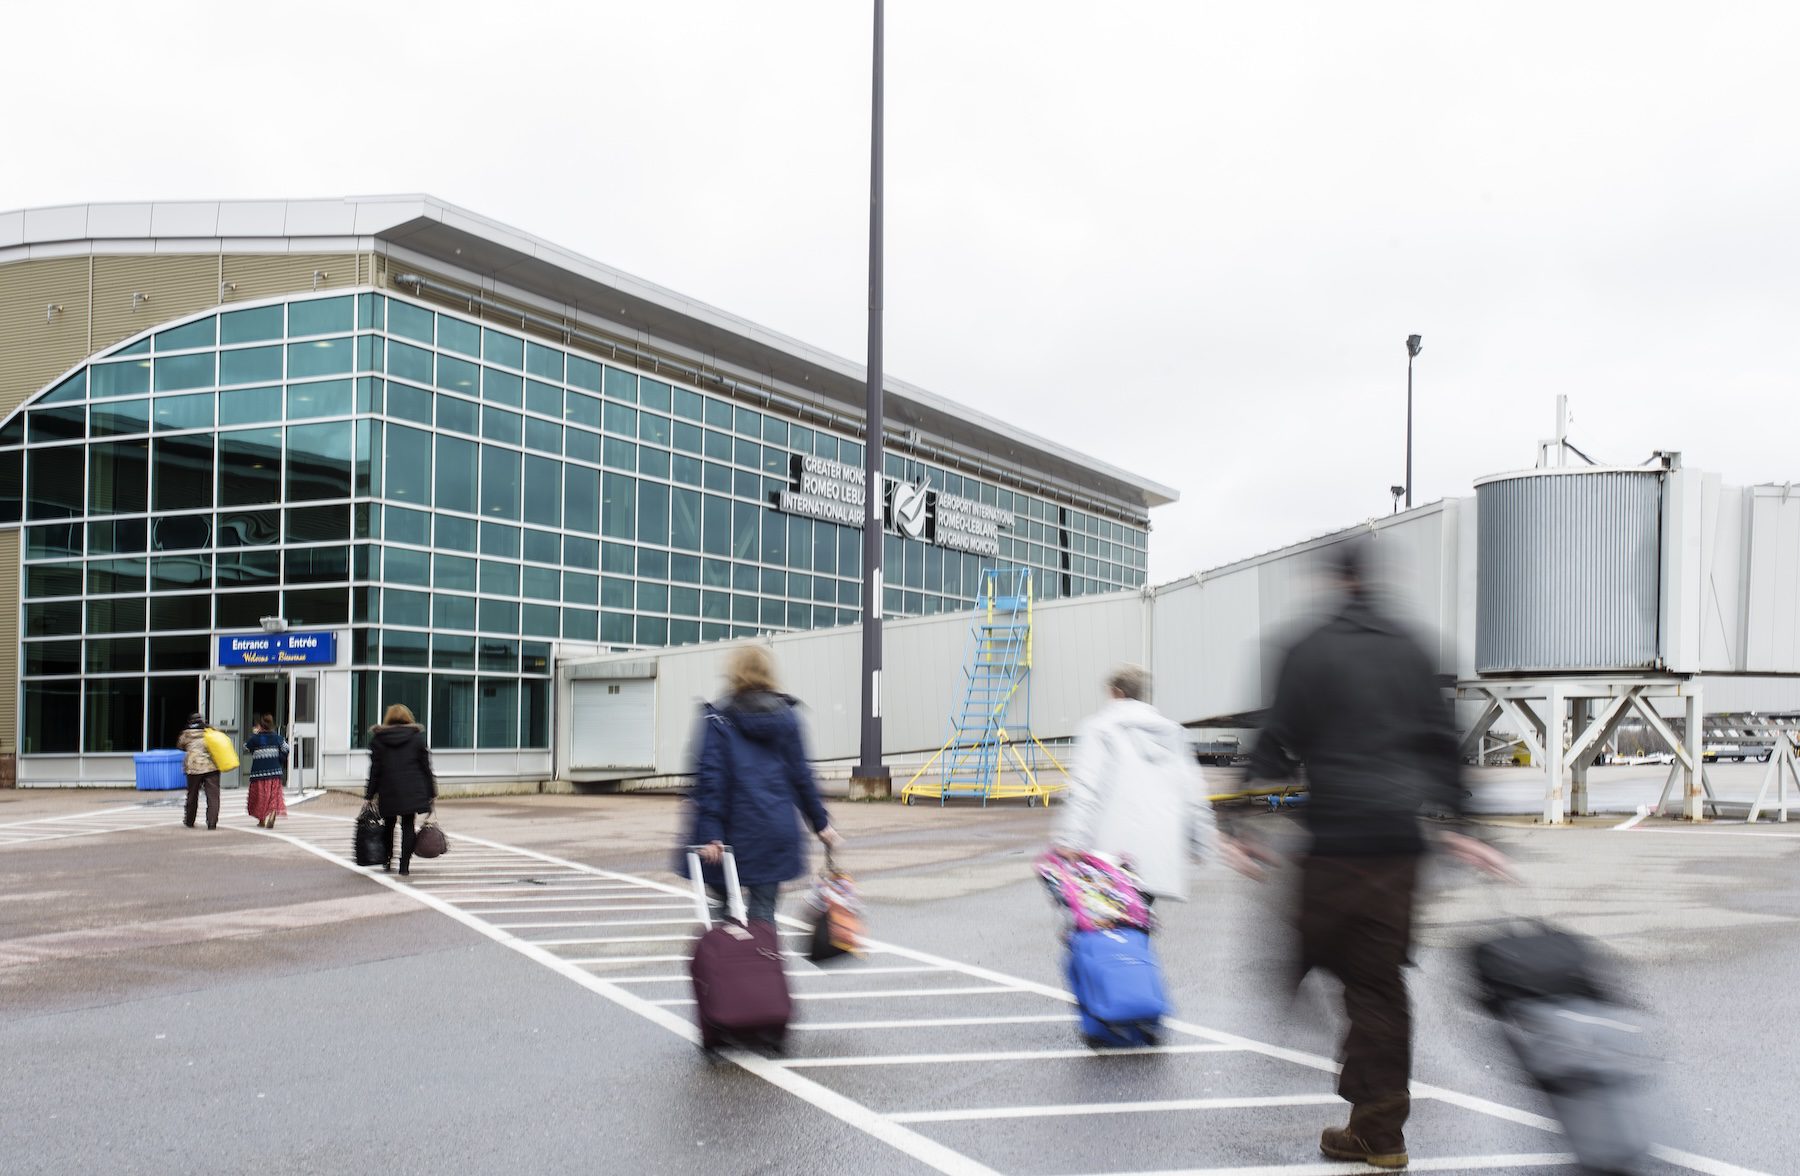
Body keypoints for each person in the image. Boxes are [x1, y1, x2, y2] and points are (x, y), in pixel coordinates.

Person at [1247, 539, 1509, 1171]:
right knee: (1379, 982)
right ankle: (1379, 1128)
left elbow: (1276, 738)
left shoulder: (1306, 647)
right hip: (1397, 848)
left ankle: (1307, 1002)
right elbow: (1442, 743)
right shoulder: (1411, 648)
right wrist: (1468, 825)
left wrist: (1241, 817)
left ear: (1334, 584)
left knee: (1309, 954)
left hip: (1335, 843)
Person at [1052, 664, 1257, 897]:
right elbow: (1193, 797)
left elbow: (1085, 789)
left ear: (1116, 693)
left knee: (1103, 928)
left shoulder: (1099, 728)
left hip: (1108, 862)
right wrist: (1202, 845)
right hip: (1155, 863)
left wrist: (1070, 840)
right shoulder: (1172, 733)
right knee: (1137, 924)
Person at [686, 646, 841, 924]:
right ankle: (761, 962)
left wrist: (710, 832)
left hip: (730, 835)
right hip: (773, 832)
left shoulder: (718, 720)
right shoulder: (788, 719)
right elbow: (801, 776)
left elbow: (711, 778)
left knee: (723, 912)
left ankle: (725, 961)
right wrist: (821, 824)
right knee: (763, 913)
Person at [365, 704, 437, 876]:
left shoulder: (379, 739)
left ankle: (388, 860)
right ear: (408, 718)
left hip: (388, 789)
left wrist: (369, 794)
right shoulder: (417, 738)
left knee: (388, 825)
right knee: (408, 826)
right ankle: (404, 866)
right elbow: (426, 768)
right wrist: (431, 792)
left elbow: (375, 770)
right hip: (411, 789)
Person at [243, 714, 290, 829]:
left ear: (261, 725)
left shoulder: (256, 738)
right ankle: (272, 811)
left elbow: (246, 747)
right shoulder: (277, 738)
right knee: (273, 795)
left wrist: (255, 734)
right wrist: (280, 759)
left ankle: (261, 820)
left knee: (260, 797)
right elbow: (286, 748)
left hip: (258, 773)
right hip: (274, 771)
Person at [176, 713, 220, 830]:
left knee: (192, 794)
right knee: (213, 796)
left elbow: (180, 746)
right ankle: (212, 822)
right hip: (211, 766)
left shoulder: (187, 734)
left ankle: (189, 820)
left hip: (193, 767)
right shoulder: (211, 731)